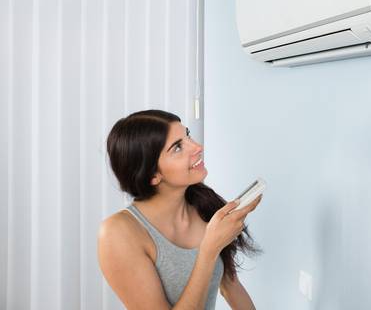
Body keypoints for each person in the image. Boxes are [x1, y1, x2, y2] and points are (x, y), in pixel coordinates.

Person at [98, 109, 262, 309]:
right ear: (152, 175)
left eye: (187, 135)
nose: (197, 147)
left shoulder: (204, 206)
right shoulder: (118, 233)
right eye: (177, 147)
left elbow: (231, 285)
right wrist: (209, 250)